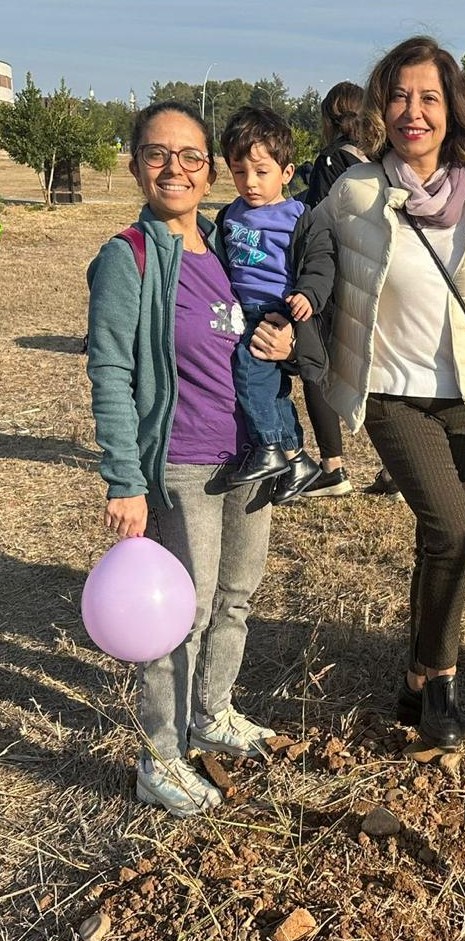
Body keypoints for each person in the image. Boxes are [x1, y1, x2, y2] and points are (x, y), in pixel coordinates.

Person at [269, 36, 465, 749]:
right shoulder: (356, 191)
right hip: (393, 393)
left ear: (451, 108)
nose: (412, 111)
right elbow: (294, 247)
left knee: (440, 542)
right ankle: (442, 684)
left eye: (428, 97)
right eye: (398, 96)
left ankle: (417, 684)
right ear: (380, 107)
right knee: (453, 532)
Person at [86, 101, 279, 817]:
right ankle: (159, 758)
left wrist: (279, 342)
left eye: (191, 155)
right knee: (181, 616)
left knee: (235, 598)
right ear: (136, 164)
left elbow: (251, 329)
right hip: (181, 463)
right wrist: (124, 480)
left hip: (246, 459)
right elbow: (109, 372)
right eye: (158, 154)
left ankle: (213, 712)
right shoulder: (127, 258)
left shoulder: (229, 245)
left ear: (210, 168)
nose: (176, 168)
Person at [218, 106, 334, 504]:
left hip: (276, 311)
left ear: (286, 173)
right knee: (275, 391)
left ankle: (268, 446)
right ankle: (298, 461)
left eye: (261, 172)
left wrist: (307, 296)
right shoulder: (229, 215)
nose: (249, 183)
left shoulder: (300, 217)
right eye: (239, 172)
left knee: (250, 373)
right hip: (241, 311)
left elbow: (321, 263)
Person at [290, 82, 367, 499]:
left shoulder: (331, 158)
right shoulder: (375, 158)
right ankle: (393, 472)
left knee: (314, 367)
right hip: (369, 276)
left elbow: (318, 217)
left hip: (331, 277)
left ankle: (332, 467)